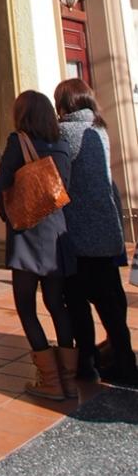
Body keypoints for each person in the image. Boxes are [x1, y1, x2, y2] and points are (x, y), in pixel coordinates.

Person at [54, 78, 137, 387]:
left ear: (64, 104)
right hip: (106, 232)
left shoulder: (65, 132)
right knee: (111, 305)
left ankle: (87, 362)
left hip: (79, 235)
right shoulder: (99, 129)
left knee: (78, 303)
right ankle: (125, 362)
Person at [0, 90, 76, 400]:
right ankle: (68, 380)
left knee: (26, 305)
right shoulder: (62, 144)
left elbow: (2, 185)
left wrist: (10, 214)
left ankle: (50, 381)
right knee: (57, 304)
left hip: (28, 234)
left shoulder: (19, 142)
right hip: (56, 232)